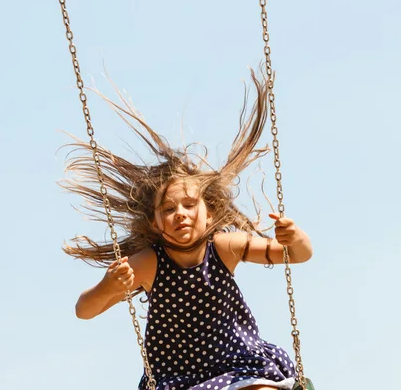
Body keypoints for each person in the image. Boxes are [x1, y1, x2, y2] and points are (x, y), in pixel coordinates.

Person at [63, 71, 313, 390]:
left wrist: (294, 237)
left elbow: (300, 255)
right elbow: (84, 311)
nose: (179, 214)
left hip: (239, 363)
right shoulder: (149, 263)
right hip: (178, 380)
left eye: (189, 205)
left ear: (209, 215)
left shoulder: (225, 247)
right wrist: (108, 285)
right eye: (168, 209)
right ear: (154, 223)